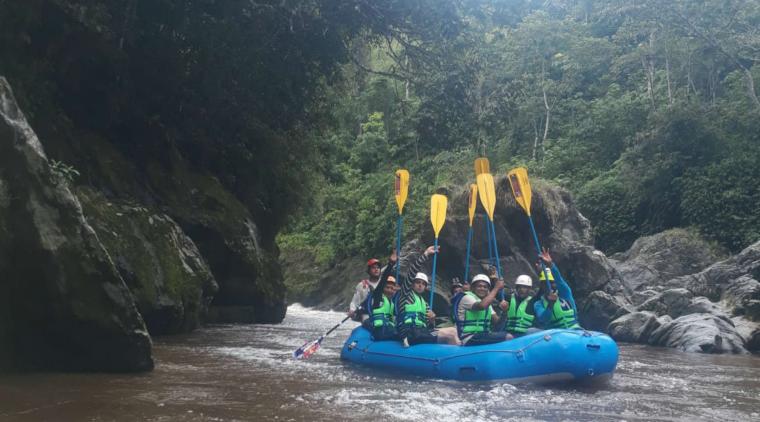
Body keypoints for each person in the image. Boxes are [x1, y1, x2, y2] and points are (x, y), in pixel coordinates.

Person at [396, 245, 460, 347]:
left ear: (426, 287)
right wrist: (425, 254)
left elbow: (429, 325)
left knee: (453, 331)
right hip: (410, 333)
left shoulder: (424, 303)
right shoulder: (406, 295)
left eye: (423, 283)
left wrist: (432, 320)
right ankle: (458, 358)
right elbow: (411, 273)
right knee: (451, 333)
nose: (420, 285)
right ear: (412, 284)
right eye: (417, 282)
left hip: (421, 332)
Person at [452, 273, 513, 346]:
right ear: (473, 288)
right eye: (479, 286)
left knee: (507, 334)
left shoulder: (487, 302)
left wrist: (505, 311)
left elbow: (498, 323)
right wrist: (496, 288)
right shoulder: (466, 297)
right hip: (468, 337)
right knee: (508, 337)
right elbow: (481, 306)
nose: (482, 289)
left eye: (485, 287)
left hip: (482, 335)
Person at [533, 249, 582, 330]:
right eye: (546, 283)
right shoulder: (538, 304)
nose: (550, 286)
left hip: (574, 329)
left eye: (552, 283)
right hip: (556, 334)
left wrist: (550, 264)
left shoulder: (565, 293)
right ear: (542, 285)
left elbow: (559, 279)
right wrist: (550, 305)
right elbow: (543, 319)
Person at [362, 251, 398, 341]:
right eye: (387, 287)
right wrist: (391, 264)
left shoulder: (393, 303)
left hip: (388, 329)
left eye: (392, 288)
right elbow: (383, 280)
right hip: (379, 331)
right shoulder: (378, 296)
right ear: (383, 288)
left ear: (395, 290)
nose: (390, 290)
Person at [348, 257, 382, 321]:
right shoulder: (362, 285)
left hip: (381, 314)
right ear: (369, 270)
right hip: (366, 315)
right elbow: (355, 301)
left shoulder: (384, 284)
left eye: (378, 268)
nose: (376, 269)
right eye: (373, 268)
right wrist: (352, 310)